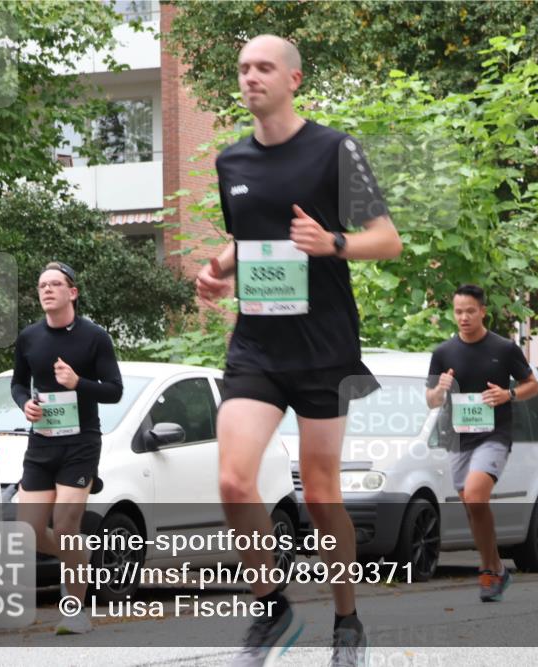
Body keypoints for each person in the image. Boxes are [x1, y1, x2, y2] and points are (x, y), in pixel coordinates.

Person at [194, 34, 401, 667]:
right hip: (256, 345)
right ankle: (271, 609)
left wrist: (333, 243)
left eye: (263, 67)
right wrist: (218, 269)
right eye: (242, 69)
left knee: (319, 494)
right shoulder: (231, 162)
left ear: (294, 79)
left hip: (324, 348)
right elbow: (247, 238)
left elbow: (387, 239)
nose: (250, 77)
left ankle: (347, 619)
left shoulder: (335, 150)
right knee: (233, 480)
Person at [12, 262, 123, 634]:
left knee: (64, 525)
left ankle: (74, 612)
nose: (47, 290)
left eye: (55, 284)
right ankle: (79, 553)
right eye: (42, 285)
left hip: (81, 443)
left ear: (72, 292)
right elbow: (18, 384)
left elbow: (114, 390)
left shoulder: (95, 337)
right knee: (28, 531)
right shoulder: (29, 337)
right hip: (41, 443)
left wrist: (78, 383)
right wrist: (24, 405)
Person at [425, 285, 538, 602]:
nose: (464, 317)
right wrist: (440, 389)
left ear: (483, 312)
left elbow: (532, 386)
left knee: (476, 496)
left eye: (470, 311)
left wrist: (508, 394)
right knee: (472, 506)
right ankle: (497, 568)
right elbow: (431, 401)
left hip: (494, 435)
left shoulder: (504, 348)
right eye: (458, 312)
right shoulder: (443, 353)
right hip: (459, 438)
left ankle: (487, 569)